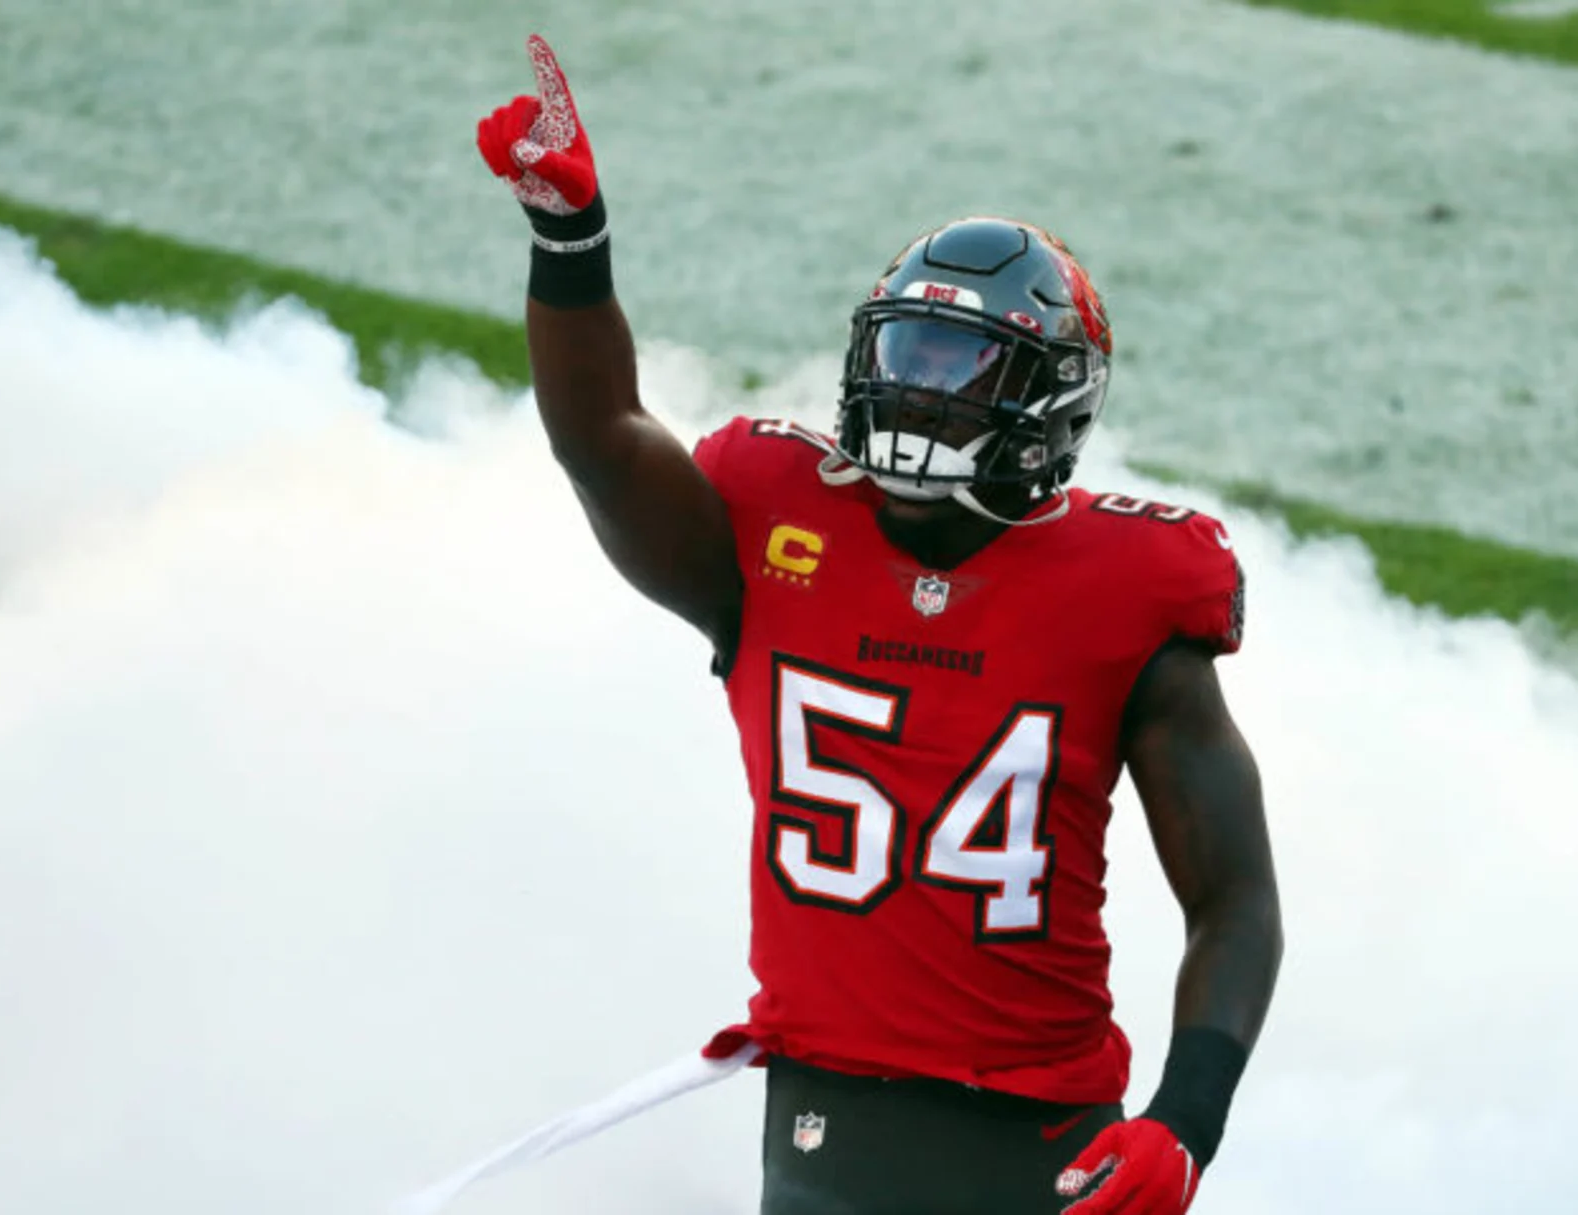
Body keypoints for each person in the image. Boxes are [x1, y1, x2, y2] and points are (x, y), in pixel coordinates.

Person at [475, 34, 1284, 1215]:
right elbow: (600, 441)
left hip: (1047, 1144)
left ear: (1051, 400)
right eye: (906, 353)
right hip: (825, 1126)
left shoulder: (1129, 587)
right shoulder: (771, 526)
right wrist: (568, 240)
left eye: (962, 368)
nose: (917, 392)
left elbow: (1236, 899)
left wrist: (1187, 1122)